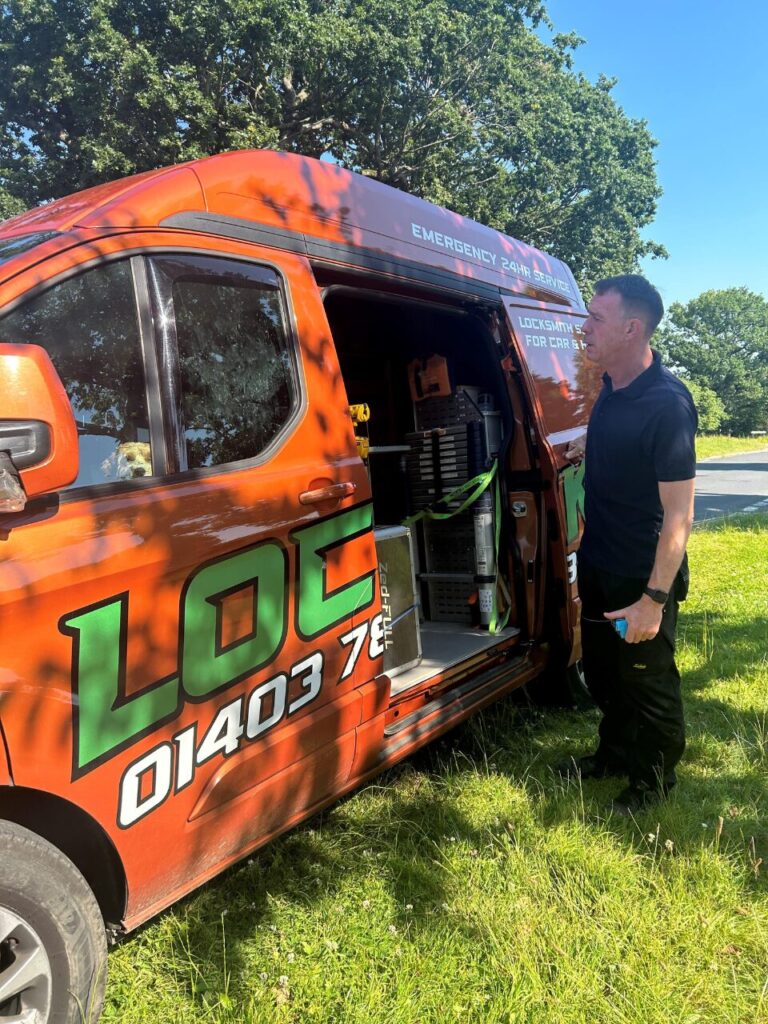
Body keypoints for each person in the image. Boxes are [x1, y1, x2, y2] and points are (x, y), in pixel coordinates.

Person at [559, 274, 697, 816]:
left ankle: (652, 780)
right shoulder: (611, 386)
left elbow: (679, 517)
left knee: (647, 682)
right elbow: (620, 449)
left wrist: (653, 601)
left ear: (631, 328)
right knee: (604, 673)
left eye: (595, 318)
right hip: (597, 565)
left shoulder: (668, 405)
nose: (584, 328)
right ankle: (613, 755)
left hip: (638, 579)